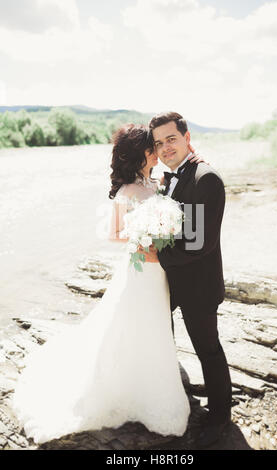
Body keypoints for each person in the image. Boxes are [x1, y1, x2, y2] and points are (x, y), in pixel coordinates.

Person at [10, 124, 203, 445]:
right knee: (133, 325)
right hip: (140, 272)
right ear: (145, 153)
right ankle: (132, 388)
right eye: (154, 146)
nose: (159, 150)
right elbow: (114, 234)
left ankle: (153, 378)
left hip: (160, 273)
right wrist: (144, 236)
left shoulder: (158, 183)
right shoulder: (128, 191)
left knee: (155, 325)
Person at [147, 112, 233, 448]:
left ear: (186, 136)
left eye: (171, 139)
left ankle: (220, 415)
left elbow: (199, 244)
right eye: (158, 143)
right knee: (158, 334)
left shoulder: (204, 178)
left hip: (198, 285)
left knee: (207, 349)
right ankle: (172, 395)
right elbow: (180, 230)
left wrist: (157, 254)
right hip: (173, 281)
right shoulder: (171, 178)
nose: (165, 147)